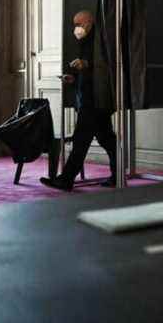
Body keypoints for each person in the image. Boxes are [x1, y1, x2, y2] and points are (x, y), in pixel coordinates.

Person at [41, 10, 117, 191]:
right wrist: (73, 79)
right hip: (90, 98)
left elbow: (107, 66)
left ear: (90, 22)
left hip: (95, 99)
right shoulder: (84, 41)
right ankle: (117, 174)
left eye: (80, 24)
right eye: (75, 24)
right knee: (107, 140)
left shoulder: (101, 39)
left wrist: (87, 64)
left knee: (81, 140)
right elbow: (88, 75)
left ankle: (66, 179)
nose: (77, 28)